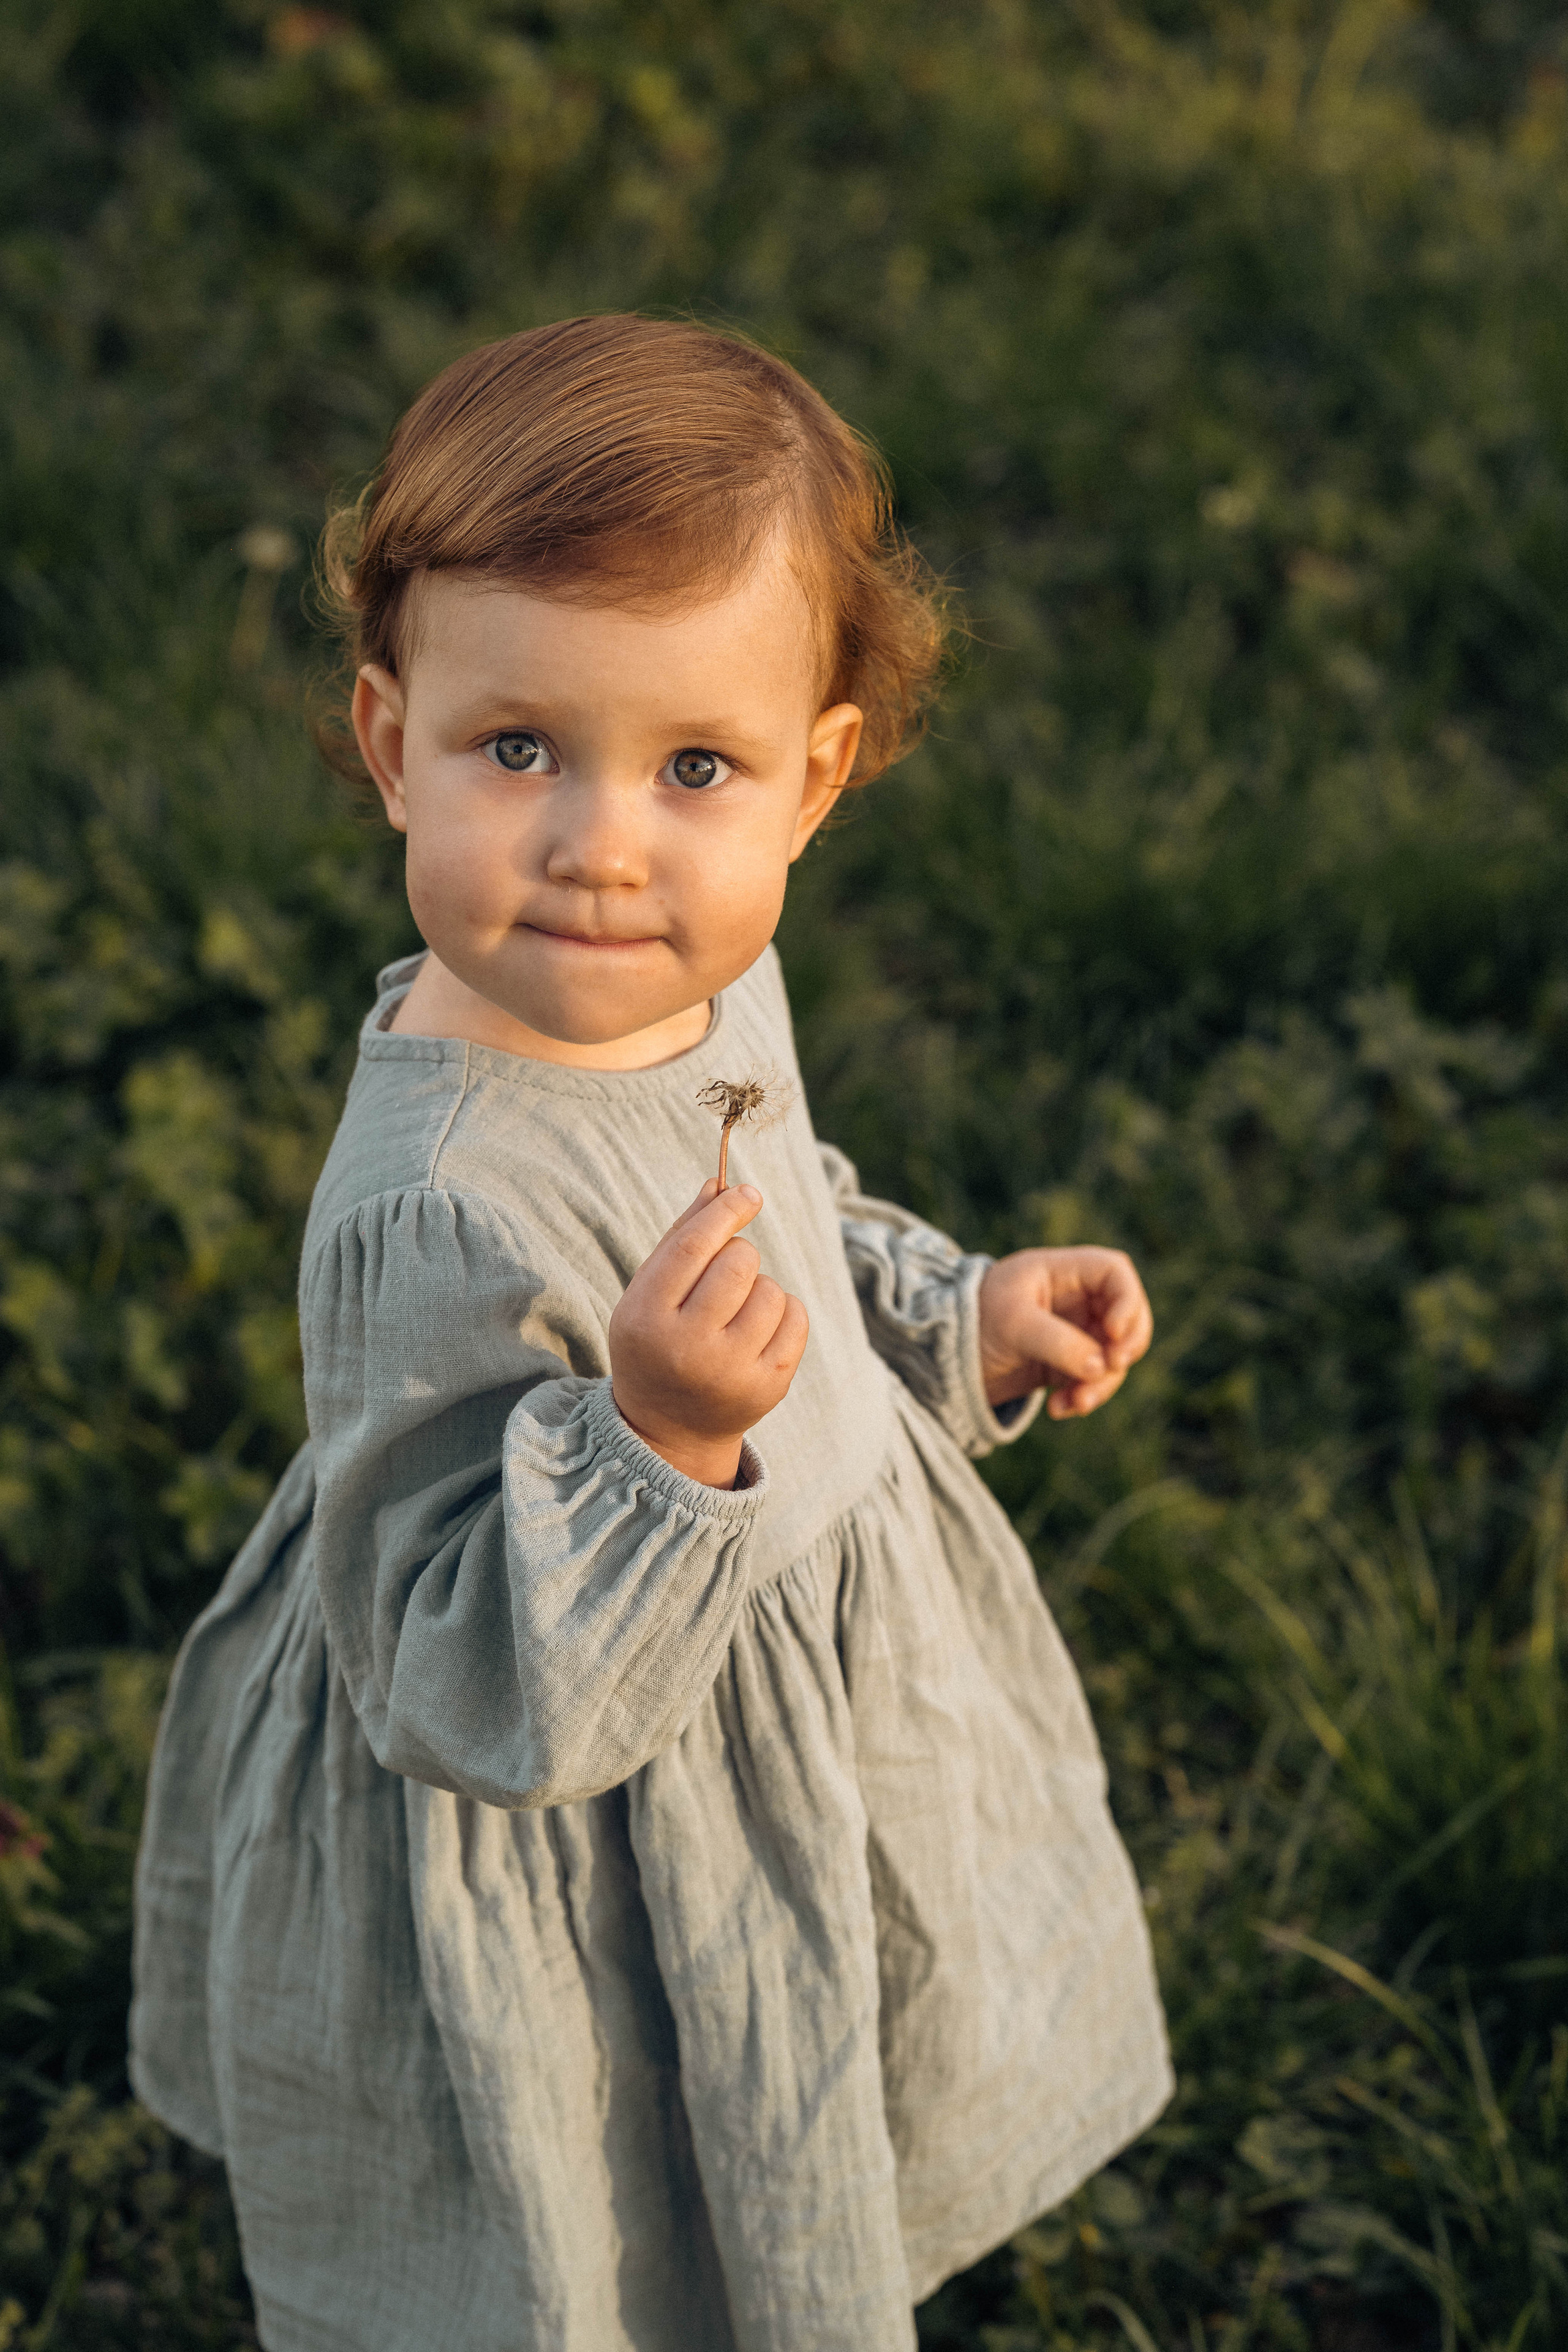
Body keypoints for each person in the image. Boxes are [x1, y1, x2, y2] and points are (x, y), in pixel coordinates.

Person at [130, 314, 1172, 2352]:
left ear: (815, 780)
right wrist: (662, 1443)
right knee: (616, 2207)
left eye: (695, 768)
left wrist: (950, 1313)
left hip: (777, 1701)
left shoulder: (691, 979)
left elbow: (778, 1207)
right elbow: (450, 1671)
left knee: (804, 2091)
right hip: (584, 1807)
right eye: (516, 749)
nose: (603, 844)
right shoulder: (439, 1197)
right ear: (386, 737)